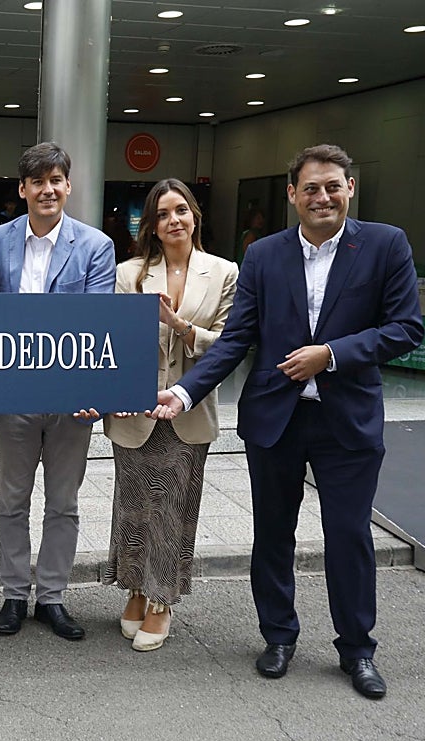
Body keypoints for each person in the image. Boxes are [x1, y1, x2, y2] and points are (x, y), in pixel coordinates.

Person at [152, 144, 423, 698]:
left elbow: (406, 328)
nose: (322, 197)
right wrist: (183, 391)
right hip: (276, 418)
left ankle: (357, 650)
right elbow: (236, 341)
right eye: (311, 188)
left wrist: (332, 353)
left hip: (346, 420)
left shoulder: (385, 245)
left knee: (349, 537)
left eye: (333, 186)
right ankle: (278, 636)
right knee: (273, 535)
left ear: (350, 188)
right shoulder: (265, 255)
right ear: (292, 195)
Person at [0, 142, 115, 640]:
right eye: (37, 181)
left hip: (70, 401)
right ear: (23, 189)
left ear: (68, 186)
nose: (48, 190)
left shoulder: (96, 245)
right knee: (11, 501)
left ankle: (52, 598)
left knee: (64, 502)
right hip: (13, 395)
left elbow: (96, 325)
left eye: (56, 180)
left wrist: (92, 390)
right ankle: (14, 594)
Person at [101, 179, 238, 651]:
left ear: (195, 215)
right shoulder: (129, 273)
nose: (173, 220)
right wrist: (113, 391)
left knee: (173, 509)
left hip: (189, 409)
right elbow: (113, 343)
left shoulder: (223, 272)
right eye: (162, 214)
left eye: (181, 210)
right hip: (135, 412)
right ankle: (136, 590)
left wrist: (179, 325)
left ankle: (162, 603)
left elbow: (229, 343)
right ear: (152, 226)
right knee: (135, 507)